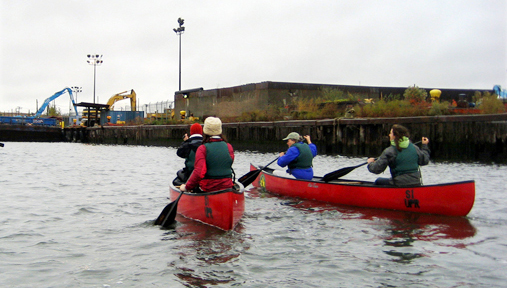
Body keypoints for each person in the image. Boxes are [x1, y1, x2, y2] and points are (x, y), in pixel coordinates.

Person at [180, 117, 234, 193]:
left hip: (208, 188)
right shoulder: (229, 147)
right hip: (227, 186)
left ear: (205, 131)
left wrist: (186, 187)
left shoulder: (202, 148)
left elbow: (199, 172)